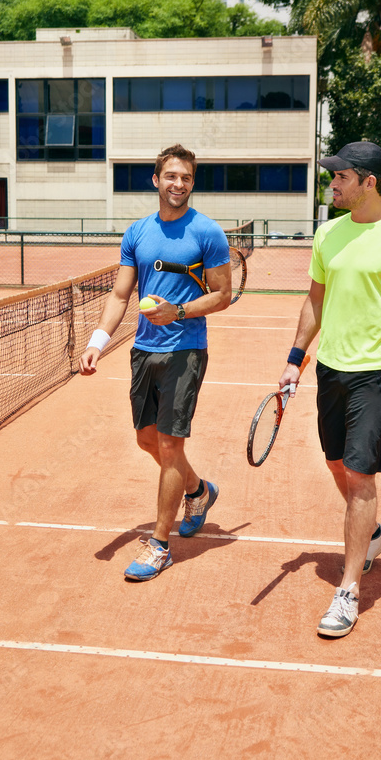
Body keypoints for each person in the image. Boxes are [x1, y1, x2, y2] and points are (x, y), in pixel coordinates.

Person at [278, 141, 381, 638]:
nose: (332, 184)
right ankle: (372, 536)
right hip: (330, 367)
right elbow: (314, 302)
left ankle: (347, 590)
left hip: (377, 371)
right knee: (334, 463)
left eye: (340, 177)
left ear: (369, 182)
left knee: (359, 472)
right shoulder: (327, 234)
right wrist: (294, 361)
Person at [79, 143, 232, 581]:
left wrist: (178, 312)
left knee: (169, 446)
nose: (178, 184)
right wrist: (98, 341)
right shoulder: (137, 233)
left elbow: (222, 295)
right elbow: (119, 294)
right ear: (156, 180)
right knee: (147, 440)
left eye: (185, 177)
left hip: (185, 348)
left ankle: (160, 544)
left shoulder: (208, 232)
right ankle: (199, 492)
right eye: (171, 176)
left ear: (192, 182)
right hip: (144, 350)